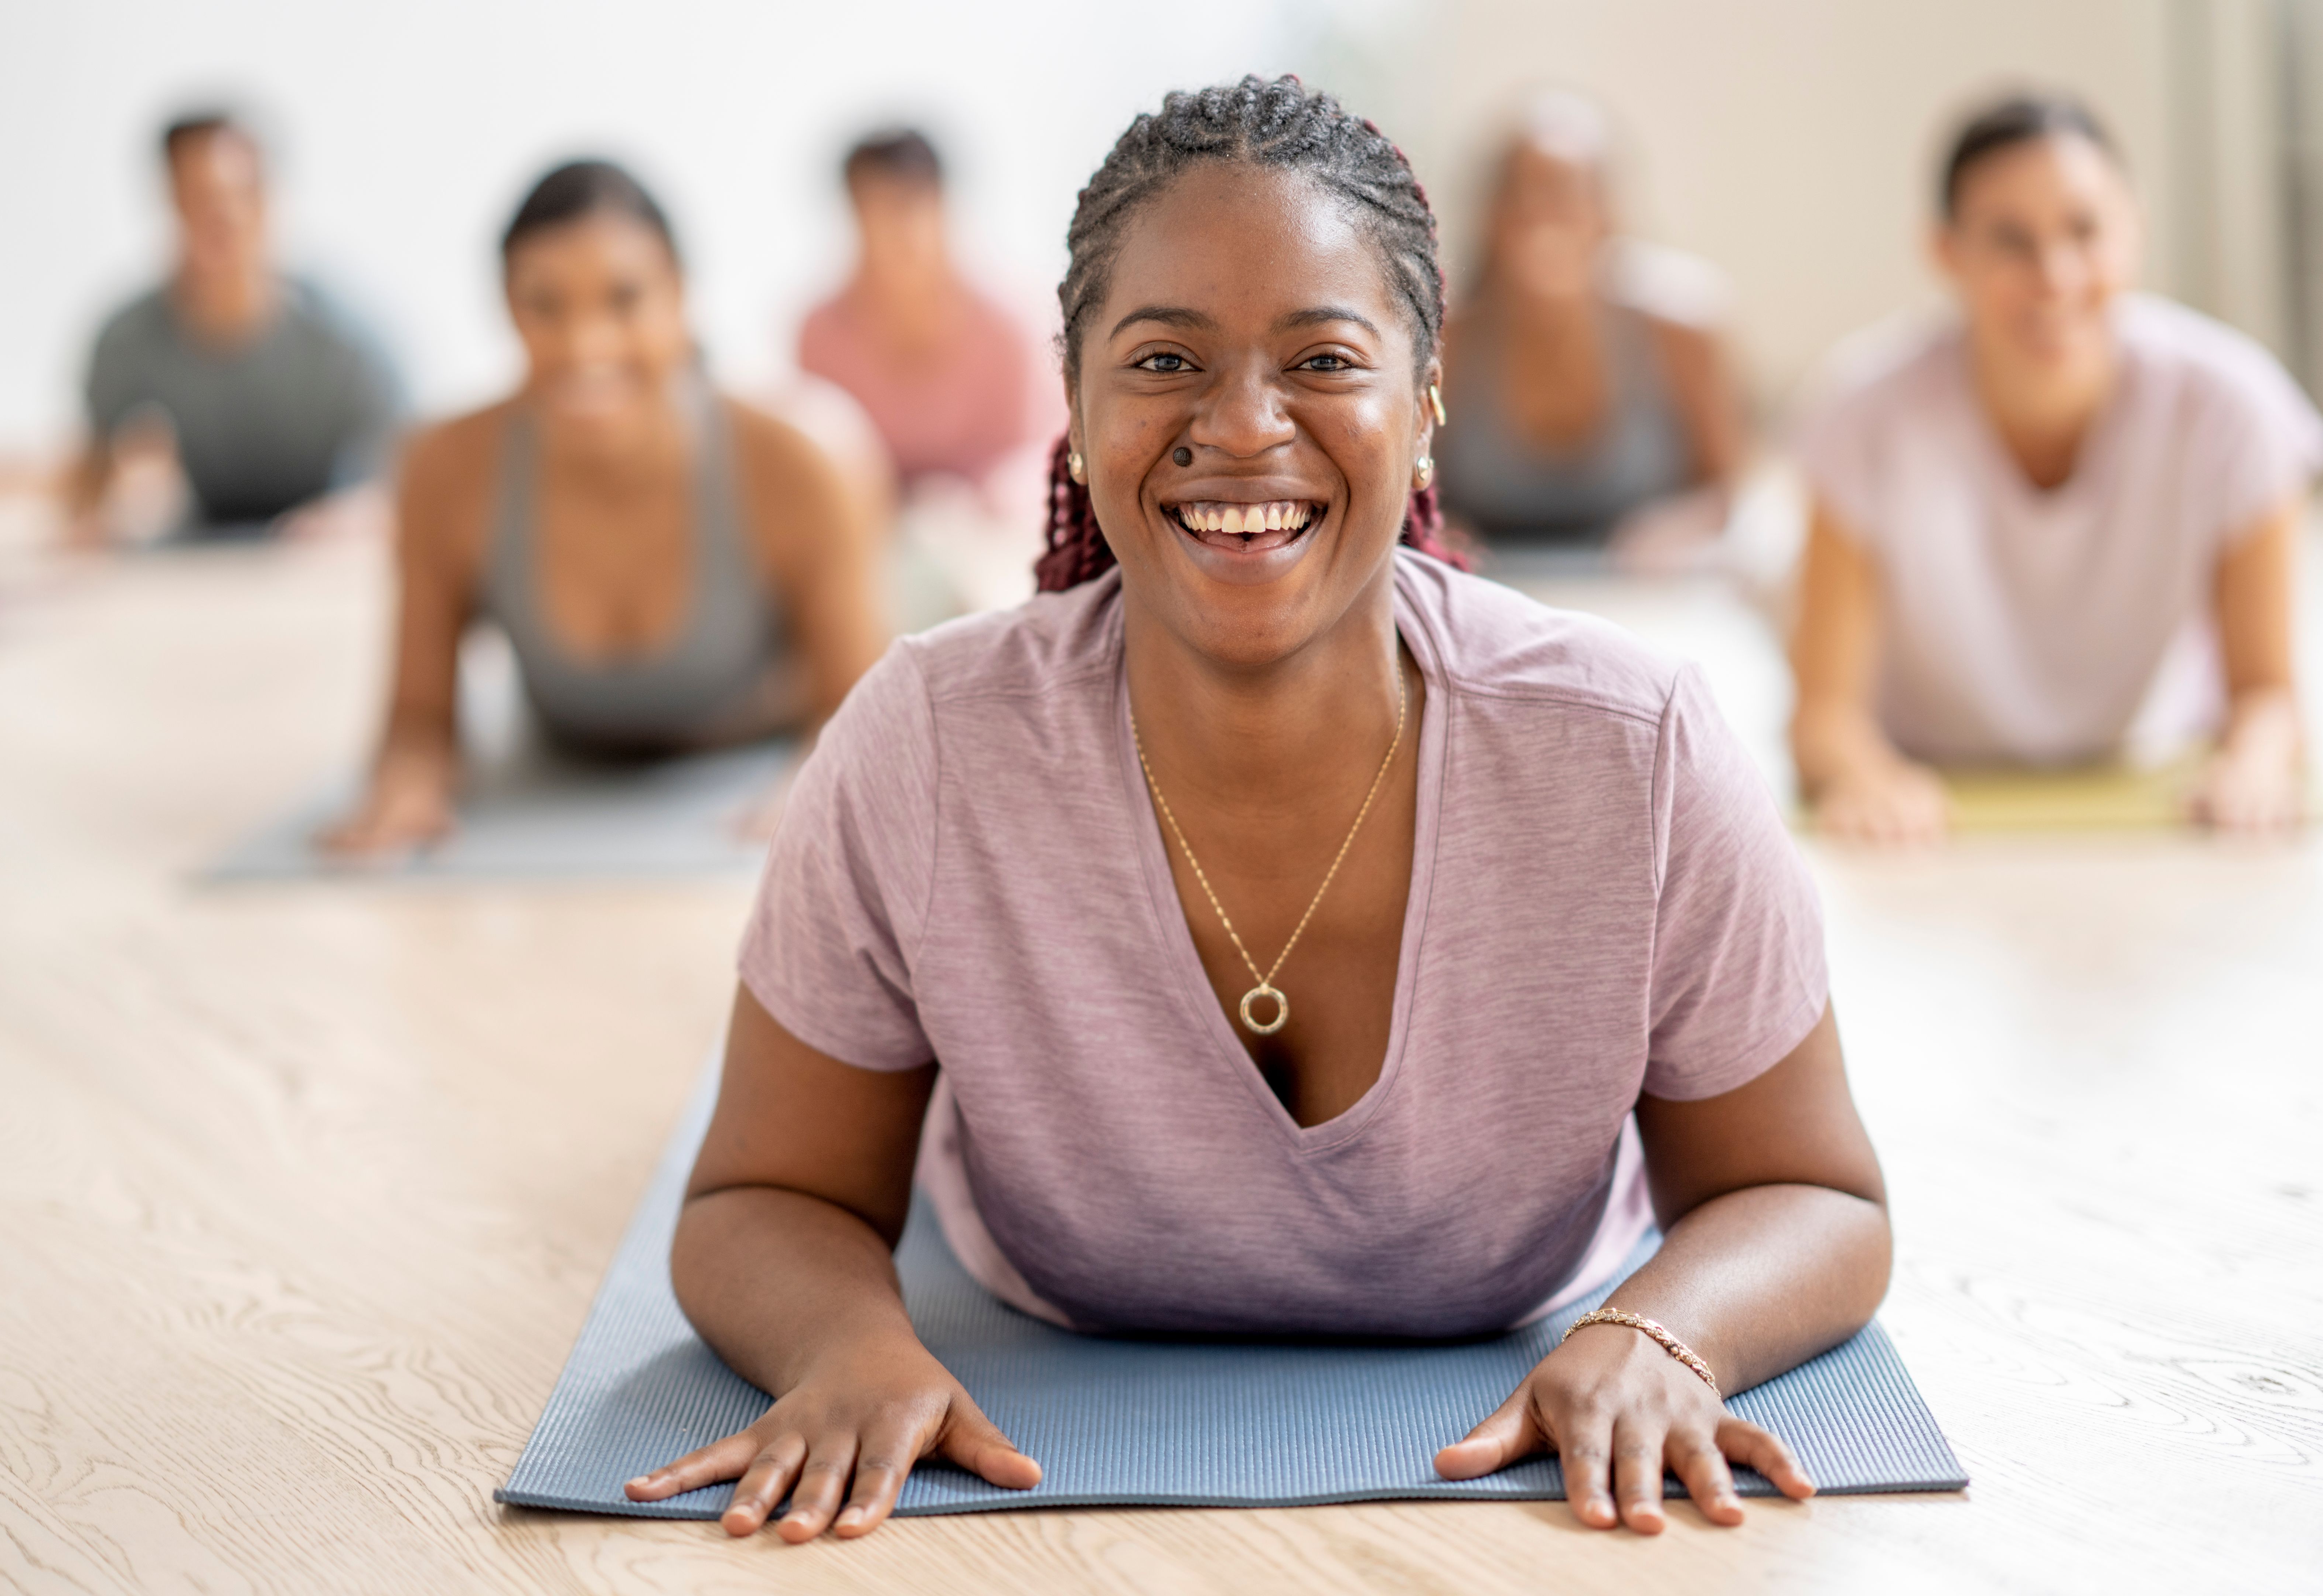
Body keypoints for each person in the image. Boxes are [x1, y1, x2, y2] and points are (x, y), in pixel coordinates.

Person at [624, 78, 1890, 1543]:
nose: (1241, 427)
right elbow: (758, 1198)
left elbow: (1812, 1192)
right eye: (1164, 357)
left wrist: (1668, 1333)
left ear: (1426, 402)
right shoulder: (924, 742)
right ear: (1079, 405)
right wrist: (847, 1347)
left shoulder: (1636, 749)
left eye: (1322, 358)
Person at [1791, 93, 2318, 843]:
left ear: (2134, 229)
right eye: (2011, 240)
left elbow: (2268, 693)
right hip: (1934, 790)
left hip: (2148, 775)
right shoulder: (1861, 413)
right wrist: (1865, 778)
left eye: (2086, 229)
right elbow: (1824, 714)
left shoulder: (2233, 405)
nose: (2056, 273)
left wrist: (2256, 769)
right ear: (1947, 252)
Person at [320, 161, 885, 856]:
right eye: (545, 305)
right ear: (506, 310)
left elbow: (861, 711)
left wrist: (821, 779)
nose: (586, 344)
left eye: (624, 300)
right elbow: (419, 717)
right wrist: (408, 780)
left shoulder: (805, 455)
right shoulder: (444, 470)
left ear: (681, 299)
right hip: (572, 761)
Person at [70, 112, 406, 540]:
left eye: (239, 195)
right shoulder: (126, 343)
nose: (222, 217)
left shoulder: (348, 341)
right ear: (169, 202)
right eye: (198, 198)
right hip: (196, 555)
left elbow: (405, 480)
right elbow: (89, 484)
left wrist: (355, 517)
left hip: (318, 550)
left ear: (268, 201)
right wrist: (111, 514)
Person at [1435, 91, 1741, 551]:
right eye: (1521, 195)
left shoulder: (1681, 330)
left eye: (1566, 195)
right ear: (1489, 217)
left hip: (1646, 603)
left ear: (1609, 212)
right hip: (1485, 597)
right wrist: (1437, 531)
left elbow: (1731, 492)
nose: (1541, 216)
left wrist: (1678, 530)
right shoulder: (1442, 341)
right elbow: (1402, 490)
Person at [796, 129, 1047, 493]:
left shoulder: (1008, 328)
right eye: (867, 209)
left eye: (903, 207)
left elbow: (1025, 469)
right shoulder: (820, 334)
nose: (885, 231)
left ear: (941, 205)